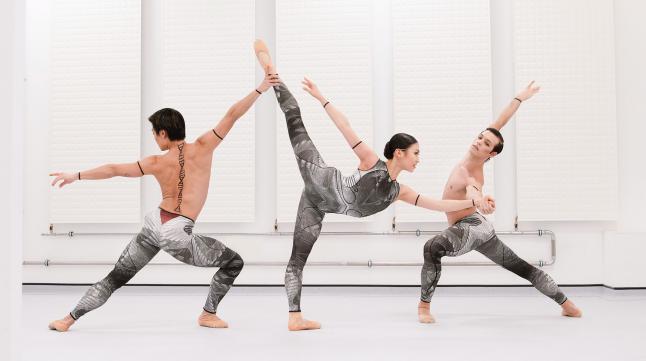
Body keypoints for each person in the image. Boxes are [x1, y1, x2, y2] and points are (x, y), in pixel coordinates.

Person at [254, 39, 492, 331]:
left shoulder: (398, 192)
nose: (419, 159)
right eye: (416, 153)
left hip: (317, 203)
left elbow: (439, 205)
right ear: (399, 153)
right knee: (295, 118)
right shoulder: (371, 161)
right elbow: (345, 126)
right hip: (320, 178)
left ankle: (295, 318)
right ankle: (272, 72)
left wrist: (474, 203)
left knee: (298, 258)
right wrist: (321, 97)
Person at [47, 74, 279, 331]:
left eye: (155, 134)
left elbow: (114, 169)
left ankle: (67, 319)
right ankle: (207, 314)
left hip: (154, 224)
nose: (155, 139)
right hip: (177, 232)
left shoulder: (155, 163)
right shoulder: (205, 146)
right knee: (234, 262)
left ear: (164, 133)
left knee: (115, 278)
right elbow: (232, 115)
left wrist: (76, 176)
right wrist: (261, 88)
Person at [417, 81, 583, 323]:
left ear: (491, 154)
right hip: (480, 229)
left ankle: (423, 308)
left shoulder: (471, 172)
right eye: (479, 137)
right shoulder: (476, 153)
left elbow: (474, 191)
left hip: (471, 228)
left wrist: (481, 201)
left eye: (485, 143)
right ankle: (569, 306)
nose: (478, 142)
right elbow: (499, 123)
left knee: (432, 248)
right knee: (521, 267)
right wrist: (519, 99)